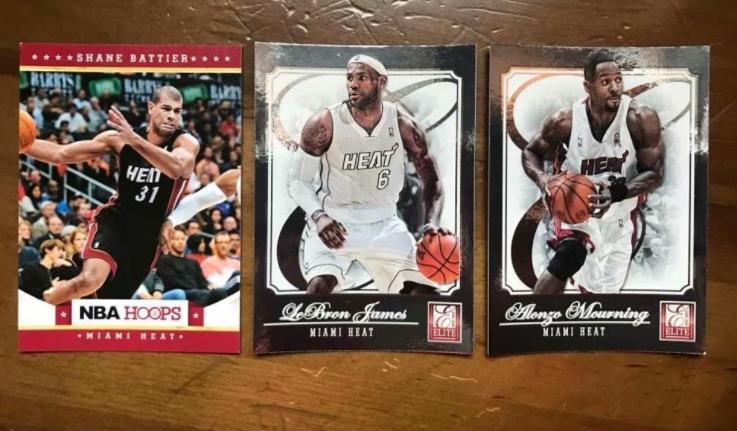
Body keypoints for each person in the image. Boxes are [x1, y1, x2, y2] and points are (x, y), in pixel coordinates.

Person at [22, 85, 199, 303]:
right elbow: (61, 153)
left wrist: (135, 140)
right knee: (88, 280)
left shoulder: (186, 143)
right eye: (166, 108)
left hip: (147, 237)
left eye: (177, 111)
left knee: (109, 301)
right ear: (151, 108)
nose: (172, 116)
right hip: (115, 223)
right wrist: (22, 145)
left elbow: (176, 168)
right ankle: (40, 309)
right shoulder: (120, 139)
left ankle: (56, 303)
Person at [288, 54, 447, 295]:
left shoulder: (403, 125)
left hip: (385, 224)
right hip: (335, 223)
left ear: (381, 82)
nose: (353, 84)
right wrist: (319, 217)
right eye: (349, 78)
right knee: (319, 288)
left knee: (425, 293)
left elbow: (432, 179)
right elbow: (298, 181)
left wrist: (431, 225)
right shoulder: (323, 124)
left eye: (361, 77)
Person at [522, 50, 665, 294]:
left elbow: (654, 173)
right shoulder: (565, 121)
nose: (615, 88)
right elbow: (531, 152)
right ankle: (532, 315)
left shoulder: (640, 118)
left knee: (601, 292)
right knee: (570, 255)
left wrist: (615, 193)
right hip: (575, 209)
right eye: (605, 81)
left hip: (619, 215)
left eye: (618, 79)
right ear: (588, 87)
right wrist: (543, 179)